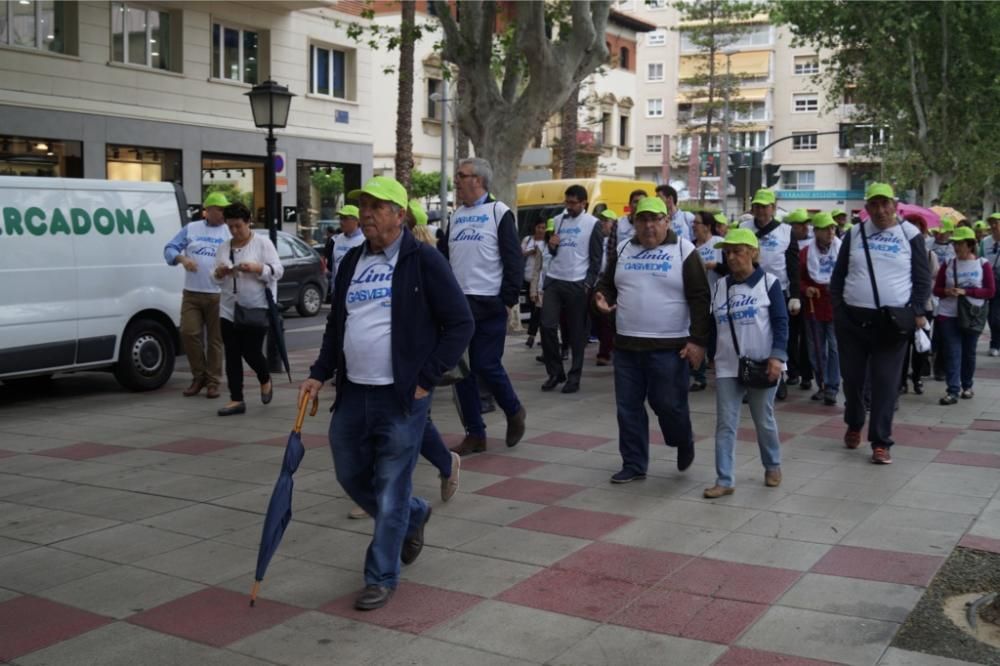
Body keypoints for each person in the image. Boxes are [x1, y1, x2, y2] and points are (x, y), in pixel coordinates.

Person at [299, 176, 473, 611]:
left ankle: (380, 575)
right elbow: (337, 325)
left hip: (401, 396)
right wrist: (319, 373)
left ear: (401, 215)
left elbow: (460, 323)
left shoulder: (424, 260)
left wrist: (425, 378)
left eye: (377, 207)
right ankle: (414, 515)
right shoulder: (352, 260)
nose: (367, 214)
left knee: (392, 484)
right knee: (350, 474)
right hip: (354, 390)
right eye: (364, 206)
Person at [594, 196, 709, 482]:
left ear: (667, 221)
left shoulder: (684, 251)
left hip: (669, 348)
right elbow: (607, 284)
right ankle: (634, 463)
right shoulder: (623, 249)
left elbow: (700, 299)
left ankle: (682, 439)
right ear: (634, 223)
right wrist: (601, 297)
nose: (648, 226)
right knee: (628, 408)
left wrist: (697, 341)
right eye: (642, 219)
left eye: (655, 219)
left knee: (668, 404)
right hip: (627, 345)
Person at [830, 183, 931, 465]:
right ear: (867, 208)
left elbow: (923, 281)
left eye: (885, 203)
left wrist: (915, 310)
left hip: (892, 323)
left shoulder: (910, 235)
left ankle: (881, 441)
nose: (880, 210)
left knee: (885, 384)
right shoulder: (855, 233)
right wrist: (839, 309)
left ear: (895, 204)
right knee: (852, 380)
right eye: (874, 204)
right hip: (852, 321)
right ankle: (853, 422)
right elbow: (838, 277)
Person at [441, 158, 526, 456]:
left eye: (461, 176)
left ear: (478, 180)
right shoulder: (456, 216)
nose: (458, 181)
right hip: (458, 304)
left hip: (489, 302)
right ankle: (475, 433)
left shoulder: (498, 212)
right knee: (461, 371)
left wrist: (508, 300)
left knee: (486, 364)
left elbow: (513, 259)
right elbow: (443, 259)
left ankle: (514, 410)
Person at [705, 228, 788, 498]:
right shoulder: (720, 286)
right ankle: (724, 478)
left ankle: (772, 465)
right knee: (725, 423)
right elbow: (711, 326)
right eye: (727, 252)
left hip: (763, 363)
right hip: (727, 364)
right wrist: (709, 356)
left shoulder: (769, 284)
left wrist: (777, 357)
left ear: (753, 253)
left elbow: (780, 323)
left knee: (763, 419)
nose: (731, 257)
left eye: (738, 251)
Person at [211, 202, 284, 417]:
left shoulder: (263, 244)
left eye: (238, 226)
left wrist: (258, 268)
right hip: (228, 308)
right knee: (232, 354)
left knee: (250, 351)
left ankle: (264, 377)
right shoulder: (224, 247)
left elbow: (278, 271)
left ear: (248, 222)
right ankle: (236, 399)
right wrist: (220, 273)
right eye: (230, 226)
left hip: (256, 307)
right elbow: (213, 276)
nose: (234, 231)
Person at [163, 191, 231, 398]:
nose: (222, 213)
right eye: (218, 209)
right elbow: (169, 248)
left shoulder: (229, 231)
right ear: (207, 210)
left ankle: (213, 381)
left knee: (215, 340)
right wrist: (182, 260)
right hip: (192, 292)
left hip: (218, 293)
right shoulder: (191, 228)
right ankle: (198, 375)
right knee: (189, 333)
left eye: (224, 209)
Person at [735, 190, 801, 399]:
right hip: (748, 289)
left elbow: (793, 266)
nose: (761, 211)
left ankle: (778, 378)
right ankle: (747, 379)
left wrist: (795, 295)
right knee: (751, 335)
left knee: (778, 336)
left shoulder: (786, 231)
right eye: (757, 206)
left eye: (765, 206)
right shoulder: (743, 228)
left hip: (777, 290)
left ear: (773, 207)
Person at [540, 184, 603, 394]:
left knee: (577, 334)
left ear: (584, 203)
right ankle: (555, 372)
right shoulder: (558, 220)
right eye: (566, 202)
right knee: (547, 326)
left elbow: (596, 259)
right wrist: (552, 244)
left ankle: (574, 377)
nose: (569, 206)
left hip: (577, 282)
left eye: (573, 203)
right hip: (555, 280)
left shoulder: (593, 224)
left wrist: (587, 284)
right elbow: (552, 251)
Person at [933, 226, 995, 404]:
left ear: (970, 245)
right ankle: (952, 390)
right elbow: (937, 289)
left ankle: (967, 386)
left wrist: (967, 292)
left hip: (972, 315)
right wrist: (947, 291)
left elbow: (990, 291)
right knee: (953, 352)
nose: (956, 247)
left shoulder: (982, 264)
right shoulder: (948, 264)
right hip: (948, 314)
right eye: (954, 243)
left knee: (969, 352)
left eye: (960, 244)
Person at [799, 212, 841, 405]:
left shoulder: (841, 248)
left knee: (834, 348)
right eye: (825, 228)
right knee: (816, 349)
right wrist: (805, 288)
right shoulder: (806, 253)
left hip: (836, 307)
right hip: (814, 307)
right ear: (815, 231)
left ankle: (832, 387)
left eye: (832, 228)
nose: (830, 232)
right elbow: (797, 278)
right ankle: (821, 384)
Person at [689, 210, 724, 391]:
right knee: (698, 337)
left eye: (697, 222)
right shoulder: (691, 247)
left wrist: (714, 265)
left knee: (718, 341)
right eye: (693, 223)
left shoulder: (719, 243)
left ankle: (724, 375)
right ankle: (698, 376)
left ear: (708, 226)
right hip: (700, 301)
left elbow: (729, 269)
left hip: (720, 300)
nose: (694, 226)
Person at [783, 208, 815, 392]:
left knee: (807, 338)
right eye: (799, 224)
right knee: (791, 336)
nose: (804, 227)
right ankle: (792, 372)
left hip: (810, 298)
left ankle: (807, 375)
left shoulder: (812, 243)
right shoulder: (786, 241)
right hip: (792, 294)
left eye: (805, 224)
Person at [594, 208, 620, 366]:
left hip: (613, 281)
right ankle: (605, 348)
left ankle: (606, 350)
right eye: (601, 220)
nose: (603, 223)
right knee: (600, 316)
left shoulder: (617, 242)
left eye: (606, 221)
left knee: (610, 317)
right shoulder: (599, 239)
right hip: (599, 281)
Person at [522, 218, 547, 348]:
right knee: (535, 309)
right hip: (530, 279)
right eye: (539, 227)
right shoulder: (528, 240)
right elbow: (521, 253)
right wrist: (531, 252)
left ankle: (534, 336)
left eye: (543, 228)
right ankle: (533, 335)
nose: (541, 230)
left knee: (539, 310)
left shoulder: (547, 243)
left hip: (544, 282)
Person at [981, 213, 1000, 357]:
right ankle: (994, 343)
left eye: (997, 223)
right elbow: (980, 261)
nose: (994, 226)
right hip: (992, 281)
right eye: (992, 223)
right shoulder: (985, 242)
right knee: (993, 316)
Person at [331, 205, 365, 281]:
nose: (341, 222)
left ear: (357, 220)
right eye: (340, 218)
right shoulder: (337, 239)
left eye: (345, 219)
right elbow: (334, 265)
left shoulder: (365, 240)